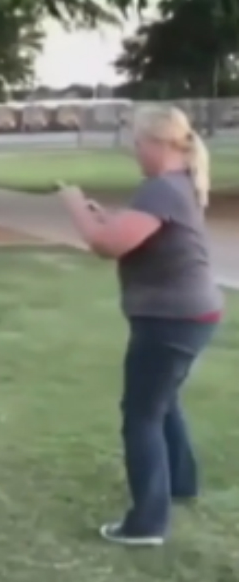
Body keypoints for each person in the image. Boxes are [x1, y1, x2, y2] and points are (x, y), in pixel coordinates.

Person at [55, 105, 221, 546]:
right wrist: (103, 215)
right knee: (162, 402)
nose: (134, 152)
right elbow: (137, 235)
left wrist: (74, 206)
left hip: (172, 318)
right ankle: (180, 484)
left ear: (160, 143)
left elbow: (105, 245)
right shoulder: (175, 185)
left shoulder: (162, 189)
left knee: (141, 415)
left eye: (137, 143)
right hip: (189, 314)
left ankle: (148, 523)